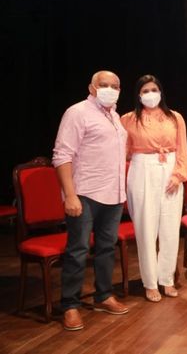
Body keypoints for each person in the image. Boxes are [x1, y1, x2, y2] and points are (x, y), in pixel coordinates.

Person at [53, 70, 130, 331]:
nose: (110, 89)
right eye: (104, 84)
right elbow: (62, 155)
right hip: (85, 193)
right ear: (92, 87)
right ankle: (70, 305)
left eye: (115, 86)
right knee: (78, 250)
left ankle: (103, 296)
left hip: (113, 194)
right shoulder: (77, 112)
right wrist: (70, 195)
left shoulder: (115, 117)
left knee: (106, 248)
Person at [121, 75, 187, 302]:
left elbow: (182, 149)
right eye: (145, 91)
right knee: (146, 228)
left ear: (161, 92)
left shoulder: (175, 117)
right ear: (138, 95)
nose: (150, 94)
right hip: (142, 169)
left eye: (154, 90)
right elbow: (123, 152)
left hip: (170, 169)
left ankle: (166, 279)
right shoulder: (128, 119)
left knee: (170, 228)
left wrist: (179, 175)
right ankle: (150, 282)